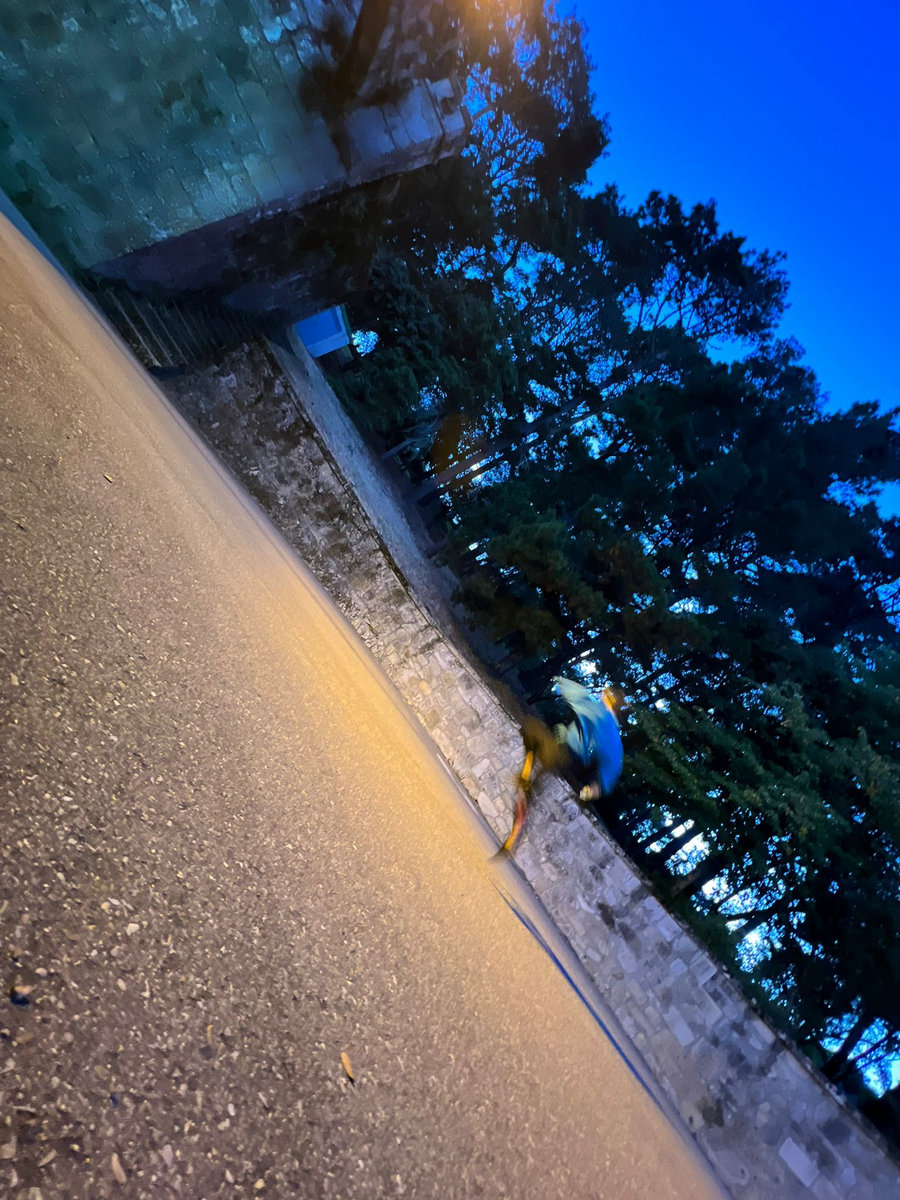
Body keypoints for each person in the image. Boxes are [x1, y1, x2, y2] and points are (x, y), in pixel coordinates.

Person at [497, 676, 624, 854]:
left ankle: (526, 778)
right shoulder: (614, 739)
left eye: (604, 696)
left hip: (560, 752)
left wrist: (560, 681)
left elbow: (580, 696)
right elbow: (611, 768)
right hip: (567, 762)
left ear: (609, 699)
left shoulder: (599, 711)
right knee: (537, 777)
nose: (601, 698)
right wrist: (592, 790)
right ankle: (516, 826)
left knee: (532, 727)